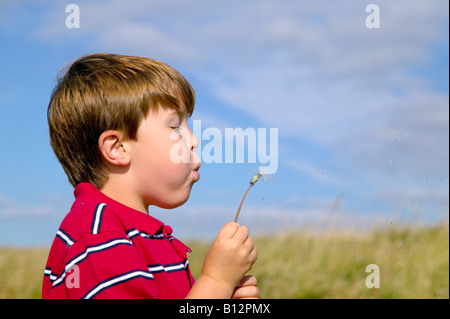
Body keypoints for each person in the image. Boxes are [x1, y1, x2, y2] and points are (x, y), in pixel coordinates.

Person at [42, 53, 259, 299]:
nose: (194, 140)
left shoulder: (145, 237)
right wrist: (216, 281)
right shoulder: (95, 235)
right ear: (118, 148)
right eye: (175, 126)